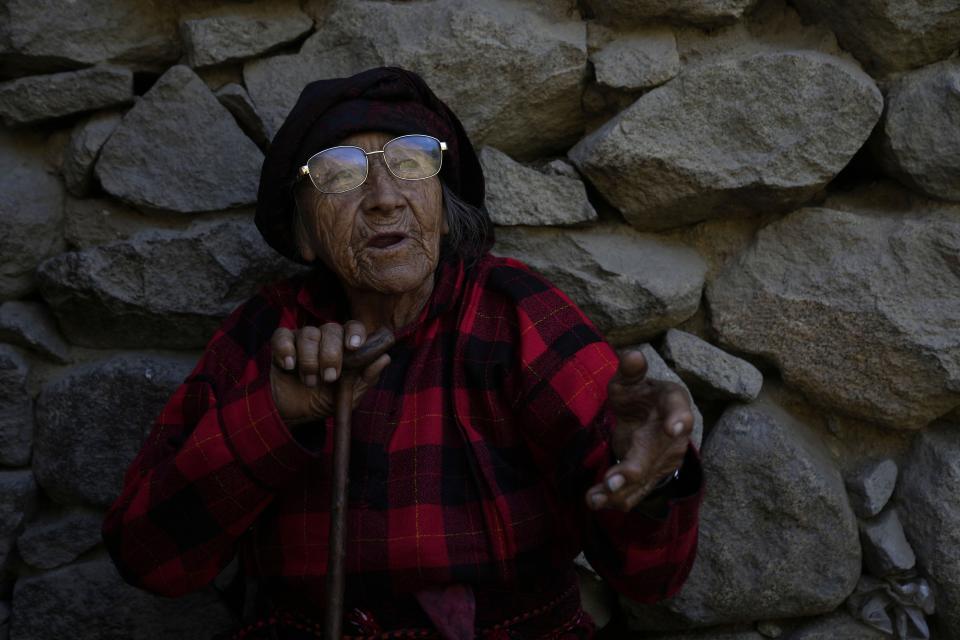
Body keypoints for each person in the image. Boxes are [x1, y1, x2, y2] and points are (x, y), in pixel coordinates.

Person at [103, 67, 704, 640]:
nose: (384, 197)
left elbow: (652, 577)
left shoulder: (515, 314)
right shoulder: (267, 332)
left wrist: (657, 478)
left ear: (443, 212)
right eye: (338, 174)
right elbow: (148, 560)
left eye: (412, 163)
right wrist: (277, 414)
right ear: (305, 234)